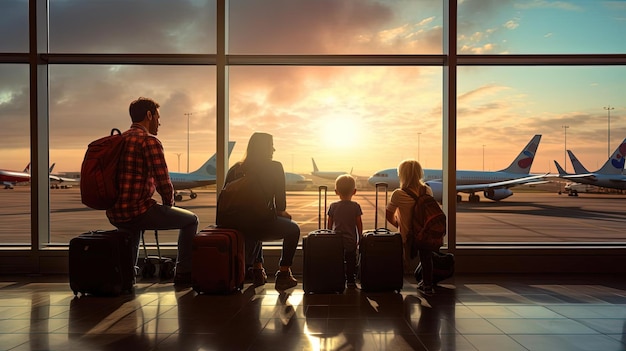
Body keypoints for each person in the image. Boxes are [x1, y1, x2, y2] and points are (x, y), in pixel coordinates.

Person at [107, 97, 199, 286]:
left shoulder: (118, 140)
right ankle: (183, 272)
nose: (159, 122)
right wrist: (169, 206)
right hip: (138, 210)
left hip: (115, 211)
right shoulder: (150, 141)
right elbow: (163, 182)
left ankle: (126, 278)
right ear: (149, 115)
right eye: (158, 117)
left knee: (131, 230)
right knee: (190, 220)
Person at [223, 132, 300, 291]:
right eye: (271, 145)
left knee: (252, 220)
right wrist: (281, 213)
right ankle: (284, 273)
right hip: (259, 223)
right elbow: (281, 206)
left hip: (234, 224)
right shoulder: (275, 167)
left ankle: (257, 270)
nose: (274, 149)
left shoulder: (235, 169)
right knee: (293, 229)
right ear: (265, 148)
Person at [385, 159, 435, 295]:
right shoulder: (427, 190)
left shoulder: (398, 194)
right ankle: (428, 285)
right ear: (420, 174)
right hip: (424, 232)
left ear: (402, 175)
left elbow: (388, 214)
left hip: (407, 234)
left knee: (402, 260)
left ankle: (397, 284)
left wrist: (399, 224)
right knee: (426, 259)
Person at [327, 174, 363, 288]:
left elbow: (329, 223)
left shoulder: (333, 206)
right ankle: (351, 280)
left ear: (336, 191)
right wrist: (360, 237)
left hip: (336, 240)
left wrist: (329, 235)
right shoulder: (356, 206)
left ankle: (337, 278)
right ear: (354, 191)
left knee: (337, 260)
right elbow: (359, 223)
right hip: (350, 239)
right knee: (351, 259)